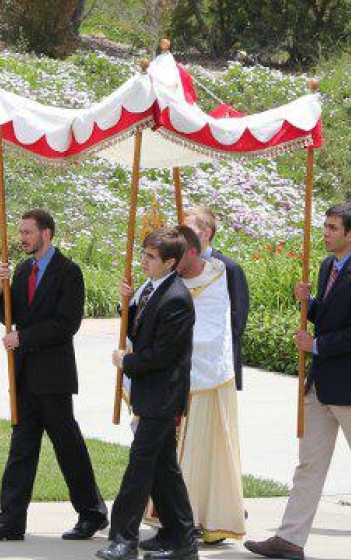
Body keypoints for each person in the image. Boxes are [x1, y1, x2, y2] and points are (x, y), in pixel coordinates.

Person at [245, 202, 351, 560]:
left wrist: (316, 345)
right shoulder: (326, 267)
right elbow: (333, 317)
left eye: (333, 228)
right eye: (325, 226)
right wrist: (311, 303)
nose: (326, 232)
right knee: (309, 464)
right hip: (321, 385)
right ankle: (290, 538)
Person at [0, 208, 108, 542]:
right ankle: (10, 521)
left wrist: (24, 337)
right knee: (21, 450)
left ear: (46, 234)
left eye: (27, 233)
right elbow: (11, 316)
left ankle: (92, 514)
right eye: (20, 233)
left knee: (68, 447)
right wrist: (1, 288)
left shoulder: (68, 272)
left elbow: (67, 325)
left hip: (53, 378)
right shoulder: (21, 270)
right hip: (23, 376)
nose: (21, 239)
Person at [139, 225, 245, 547]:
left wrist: (166, 345)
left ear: (194, 252)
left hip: (206, 381)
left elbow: (223, 328)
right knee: (168, 462)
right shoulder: (167, 280)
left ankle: (197, 522)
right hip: (169, 382)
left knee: (191, 457)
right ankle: (177, 526)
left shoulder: (221, 275)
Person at [99, 227, 197, 560]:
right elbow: (138, 329)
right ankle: (180, 535)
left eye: (151, 257)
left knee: (140, 467)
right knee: (162, 468)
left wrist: (127, 361)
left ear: (171, 262)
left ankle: (124, 539)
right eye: (143, 253)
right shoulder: (151, 289)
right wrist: (126, 304)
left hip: (163, 396)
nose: (143, 260)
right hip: (150, 394)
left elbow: (161, 355)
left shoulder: (177, 299)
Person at [183, 206, 250, 390]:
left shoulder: (228, 268)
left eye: (188, 231)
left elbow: (237, 319)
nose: (182, 237)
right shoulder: (180, 266)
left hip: (215, 363)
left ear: (206, 234)